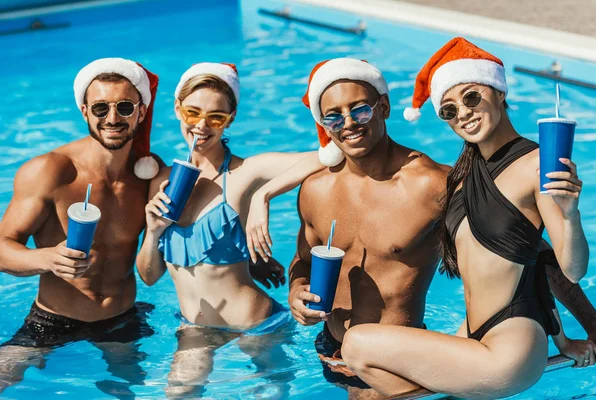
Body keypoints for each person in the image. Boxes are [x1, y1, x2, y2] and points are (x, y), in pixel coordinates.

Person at [340, 37, 596, 399]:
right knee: (367, 377)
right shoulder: (462, 179)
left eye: (471, 97)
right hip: (475, 337)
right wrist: (563, 339)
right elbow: (532, 264)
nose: (462, 113)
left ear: (498, 92)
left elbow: (571, 269)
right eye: (448, 109)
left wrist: (569, 214)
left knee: (357, 343)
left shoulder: (536, 164)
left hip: (511, 347)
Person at [134, 62, 324, 397]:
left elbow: (326, 155)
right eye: (193, 113)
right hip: (194, 326)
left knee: (272, 393)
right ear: (177, 109)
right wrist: (153, 231)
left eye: (216, 117)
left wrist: (264, 195)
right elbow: (149, 277)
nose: (202, 126)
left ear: (230, 118)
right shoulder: (161, 180)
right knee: (178, 393)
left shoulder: (245, 173)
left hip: (256, 325)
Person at [285, 57, 449, 398]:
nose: (348, 123)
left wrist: (588, 324)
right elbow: (303, 261)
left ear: (384, 106)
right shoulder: (315, 189)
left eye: (359, 109)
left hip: (394, 357)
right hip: (332, 349)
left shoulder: (431, 184)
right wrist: (296, 291)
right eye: (333, 116)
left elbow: (514, 245)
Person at [0, 58, 162, 396]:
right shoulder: (49, 171)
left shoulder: (149, 174)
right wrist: (47, 258)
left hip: (122, 317)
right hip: (52, 319)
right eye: (101, 108)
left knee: (132, 390)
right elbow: (3, 246)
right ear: (85, 111)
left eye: (125, 107)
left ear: (141, 113)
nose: (113, 118)